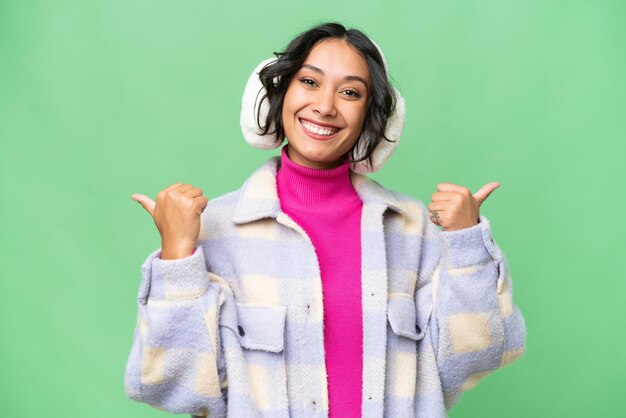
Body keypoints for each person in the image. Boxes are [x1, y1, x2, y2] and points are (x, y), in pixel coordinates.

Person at [124, 22, 526, 418]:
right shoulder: (215, 231)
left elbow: (472, 359)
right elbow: (174, 389)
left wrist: (467, 245)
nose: (326, 106)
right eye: (310, 82)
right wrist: (177, 258)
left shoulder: (412, 228)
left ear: (374, 116)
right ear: (277, 93)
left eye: (350, 92)